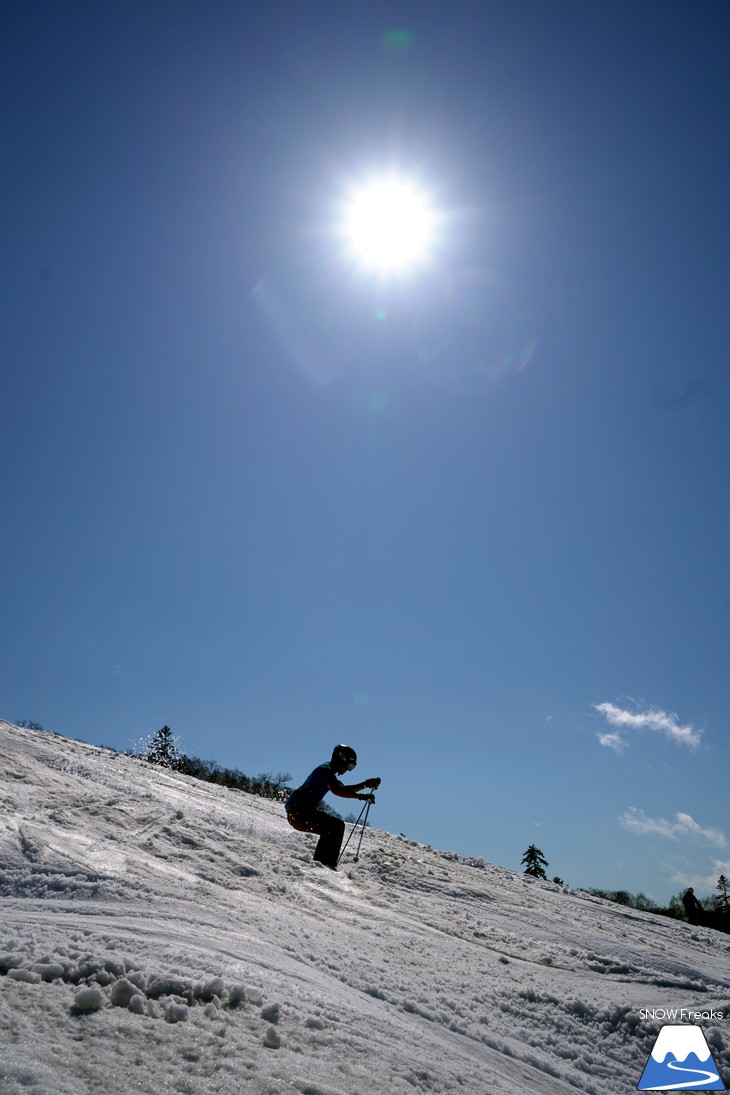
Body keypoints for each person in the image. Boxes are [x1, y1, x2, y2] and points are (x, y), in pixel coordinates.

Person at [285, 744, 380, 870]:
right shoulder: (324, 770)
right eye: (349, 766)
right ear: (340, 759)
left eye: (351, 767)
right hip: (298, 812)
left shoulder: (329, 773)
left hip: (301, 812)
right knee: (334, 826)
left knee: (337, 826)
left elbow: (343, 789)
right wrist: (360, 797)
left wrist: (365, 784)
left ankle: (327, 864)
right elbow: (337, 791)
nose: (348, 769)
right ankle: (323, 864)